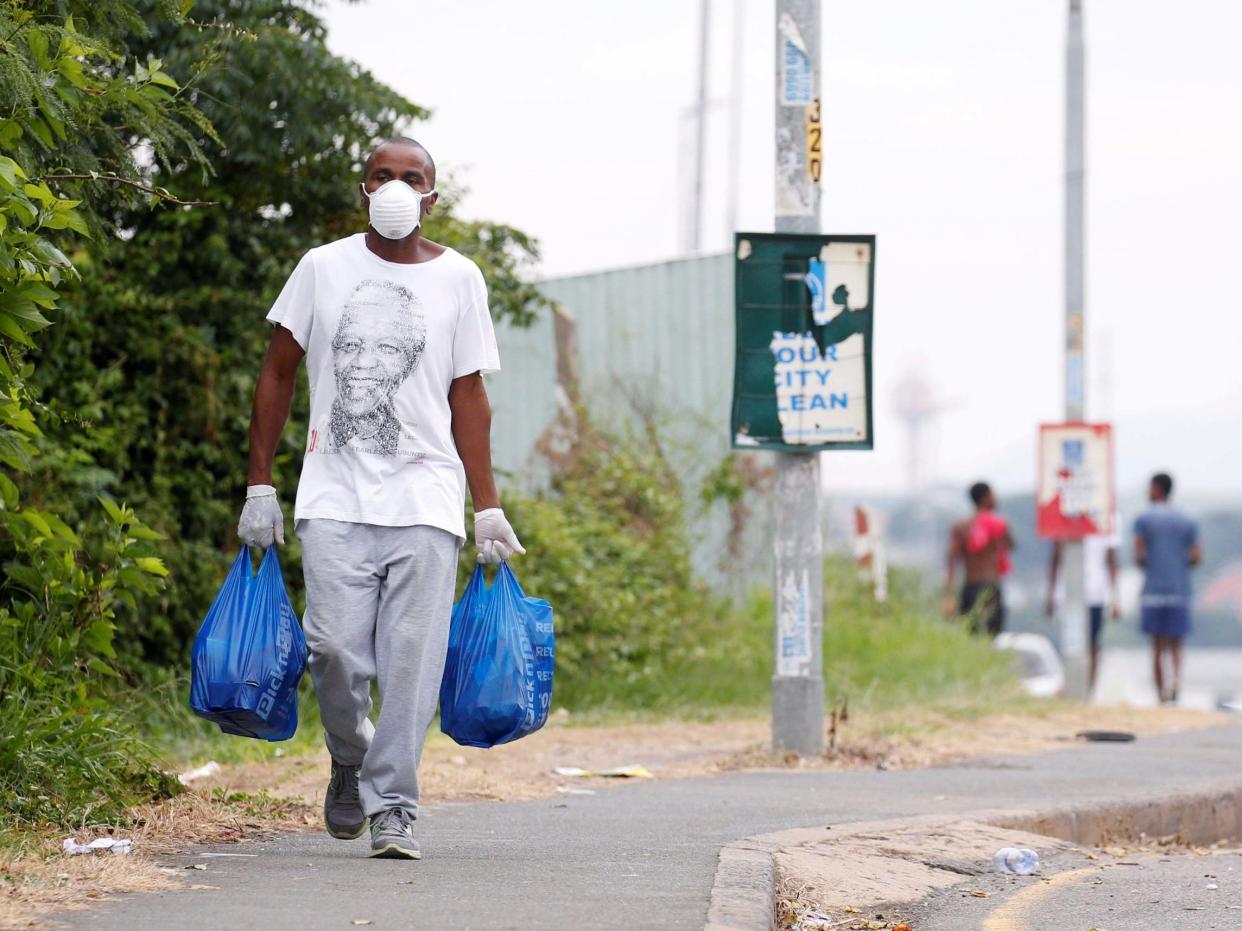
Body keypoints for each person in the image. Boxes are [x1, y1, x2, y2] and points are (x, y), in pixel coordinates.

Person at [238, 137, 525, 861]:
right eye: (382, 175)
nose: (396, 187)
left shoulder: (461, 278)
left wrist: (486, 502)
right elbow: (277, 373)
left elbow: (469, 393)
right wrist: (260, 484)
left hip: (426, 498)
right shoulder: (322, 268)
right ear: (362, 187)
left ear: (432, 196)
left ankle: (393, 804)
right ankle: (349, 753)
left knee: (411, 661)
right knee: (332, 649)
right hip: (333, 491)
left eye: (412, 178)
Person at [1134, 472, 1201, 704]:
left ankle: (1161, 695)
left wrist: (1154, 564)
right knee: (1176, 645)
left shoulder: (1144, 519)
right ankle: (1176, 681)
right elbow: (1196, 556)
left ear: (1156, 489)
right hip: (1179, 589)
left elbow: (1139, 555)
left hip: (1153, 590)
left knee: (1157, 646)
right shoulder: (1186, 520)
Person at [1043, 513, 1121, 692]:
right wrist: (1051, 595)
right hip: (1069, 594)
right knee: (1072, 642)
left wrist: (1115, 597)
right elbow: (1055, 558)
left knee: (1093, 643)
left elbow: (1111, 561)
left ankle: (1089, 689)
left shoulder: (1106, 519)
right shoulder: (1063, 518)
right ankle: (1073, 686)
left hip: (1095, 593)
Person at [944, 481, 1014, 637]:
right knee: (992, 637)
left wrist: (948, 594)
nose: (996, 499)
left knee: (971, 635)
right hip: (991, 588)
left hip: (971, 587)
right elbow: (1010, 546)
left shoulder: (961, 527)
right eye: (993, 495)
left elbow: (951, 562)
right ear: (986, 498)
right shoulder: (1000, 525)